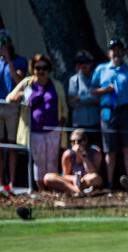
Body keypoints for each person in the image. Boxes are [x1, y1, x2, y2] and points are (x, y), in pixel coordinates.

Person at [7, 54, 68, 190]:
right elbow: (9, 98)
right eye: (37, 68)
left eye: (44, 68)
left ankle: (53, 189)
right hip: (34, 130)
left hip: (54, 130)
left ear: (49, 69)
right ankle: (42, 191)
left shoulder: (55, 84)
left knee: (52, 162)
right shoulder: (28, 83)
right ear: (33, 69)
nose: (41, 71)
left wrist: (63, 119)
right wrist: (20, 96)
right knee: (39, 162)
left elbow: (63, 106)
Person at [90, 38, 128, 189]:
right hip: (108, 113)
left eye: (119, 49)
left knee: (127, 148)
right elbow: (93, 90)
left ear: (124, 52)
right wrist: (106, 90)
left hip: (125, 112)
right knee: (110, 150)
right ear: (109, 53)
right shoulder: (101, 69)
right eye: (113, 49)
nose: (116, 52)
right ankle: (110, 184)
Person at [0, 29, 27, 193]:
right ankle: (2, 184)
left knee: (11, 146)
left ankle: (12, 182)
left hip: (11, 107)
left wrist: (9, 60)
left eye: (4, 42)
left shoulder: (20, 61)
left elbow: (19, 81)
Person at [43, 129, 102, 195]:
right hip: (72, 181)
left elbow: (93, 172)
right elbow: (65, 175)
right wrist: (74, 178)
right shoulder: (67, 154)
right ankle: (76, 191)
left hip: (85, 181)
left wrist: (83, 156)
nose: (76, 144)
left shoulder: (95, 152)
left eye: (79, 141)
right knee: (48, 177)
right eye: (73, 141)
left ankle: (75, 191)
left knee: (95, 178)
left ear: (85, 141)